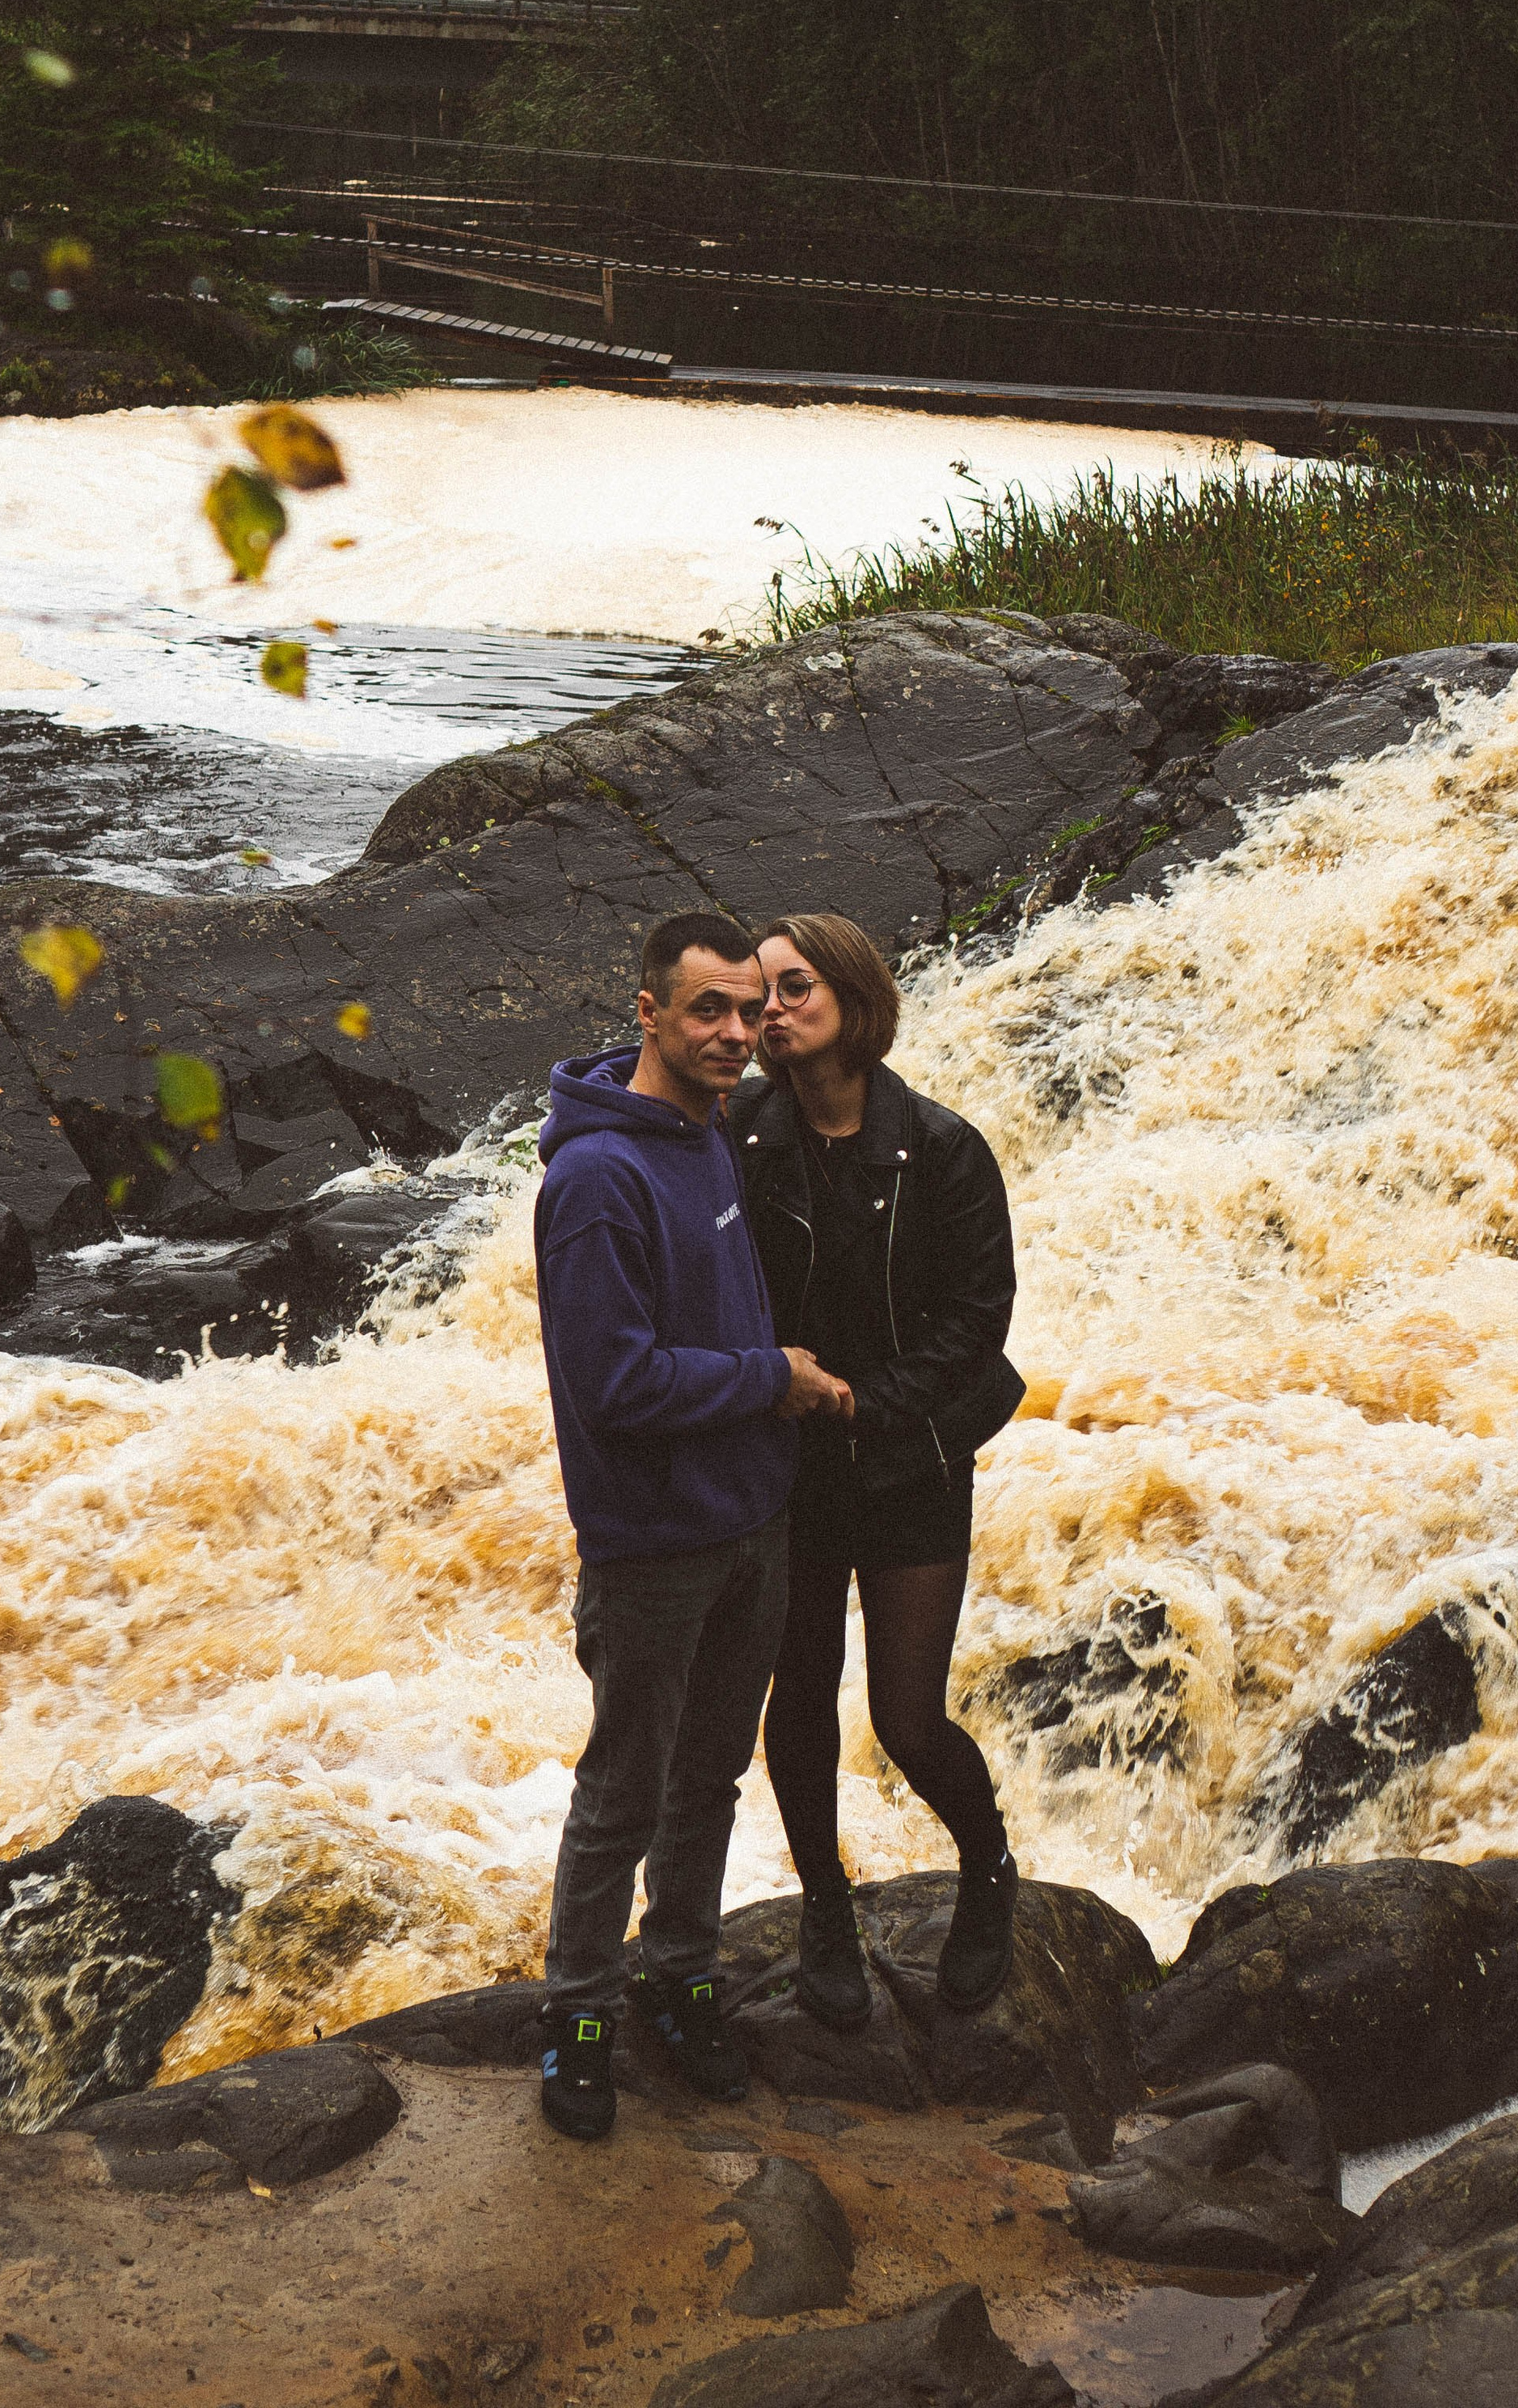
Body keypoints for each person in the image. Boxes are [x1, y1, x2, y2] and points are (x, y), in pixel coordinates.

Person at [533, 909, 854, 2142]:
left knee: (709, 1778)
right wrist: (772, 1380)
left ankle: (679, 1979)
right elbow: (615, 1383)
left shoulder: (709, 1131)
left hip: (749, 1521)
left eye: (748, 1010)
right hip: (652, 1543)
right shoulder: (595, 1180)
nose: (736, 1032)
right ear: (649, 1015)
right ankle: (577, 2017)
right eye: (707, 1009)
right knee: (624, 1790)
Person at [739, 911, 1025, 2030]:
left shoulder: (942, 1147)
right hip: (789, 1463)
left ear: (855, 998)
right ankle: (826, 1909)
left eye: (794, 987)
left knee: (908, 1718)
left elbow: (977, 1319)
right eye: (758, 994)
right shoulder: (740, 1135)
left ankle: (988, 1868)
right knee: (800, 1698)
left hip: (911, 1460)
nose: (770, 1011)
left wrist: (866, 1401)